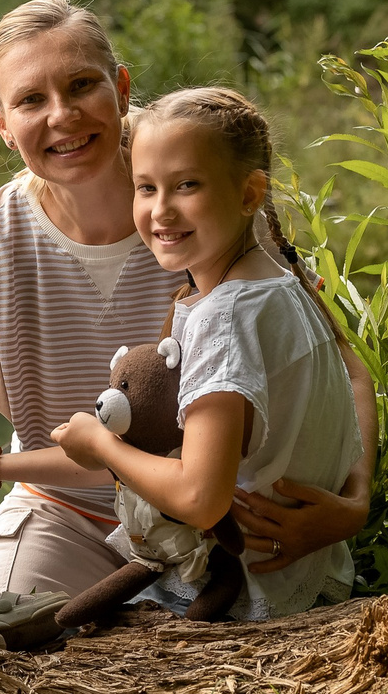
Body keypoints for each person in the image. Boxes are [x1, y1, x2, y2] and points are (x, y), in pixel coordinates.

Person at [0, 0, 377, 601]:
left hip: (213, 531)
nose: (63, 115)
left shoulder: (204, 201)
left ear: (122, 88)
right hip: (61, 512)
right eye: (31, 100)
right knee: (13, 641)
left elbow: (343, 367)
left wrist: (353, 504)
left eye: (81, 85)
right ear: (3, 124)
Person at [50, 88, 361, 619]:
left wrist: (102, 444)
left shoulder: (225, 316)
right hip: (309, 578)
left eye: (187, 185)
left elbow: (200, 498)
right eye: (146, 187)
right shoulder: (280, 285)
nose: (161, 210)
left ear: (249, 193)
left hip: (240, 594)